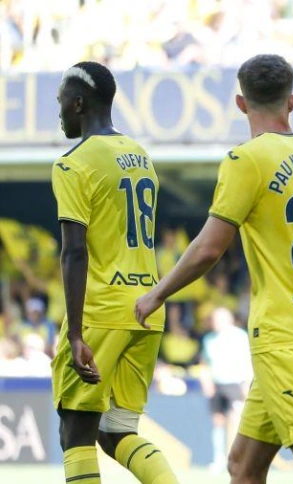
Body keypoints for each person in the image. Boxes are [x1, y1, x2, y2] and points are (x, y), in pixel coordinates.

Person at [134, 54, 293, 484]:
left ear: (241, 104)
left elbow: (208, 249)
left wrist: (158, 293)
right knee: (243, 465)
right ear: (292, 101)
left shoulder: (246, 160)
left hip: (282, 337)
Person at [50, 61, 178, 484]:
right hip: (146, 307)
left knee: (76, 432)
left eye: (63, 102)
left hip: (101, 312)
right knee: (117, 430)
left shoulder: (74, 163)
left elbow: (74, 252)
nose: (60, 110)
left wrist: (74, 335)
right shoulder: (139, 156)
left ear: (79, 102)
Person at [199, 307, 252, 472]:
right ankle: (219, 460)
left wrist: (246, 384)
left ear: (229, 320)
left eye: (219, 319)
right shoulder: (208, 338)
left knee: (236, 422)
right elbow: (204, 362)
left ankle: (236, 459)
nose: (216, 322)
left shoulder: (240, 336)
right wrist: (206, 381)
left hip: (235, 383)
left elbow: (248, 361)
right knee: (218, 421)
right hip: (217, 384)